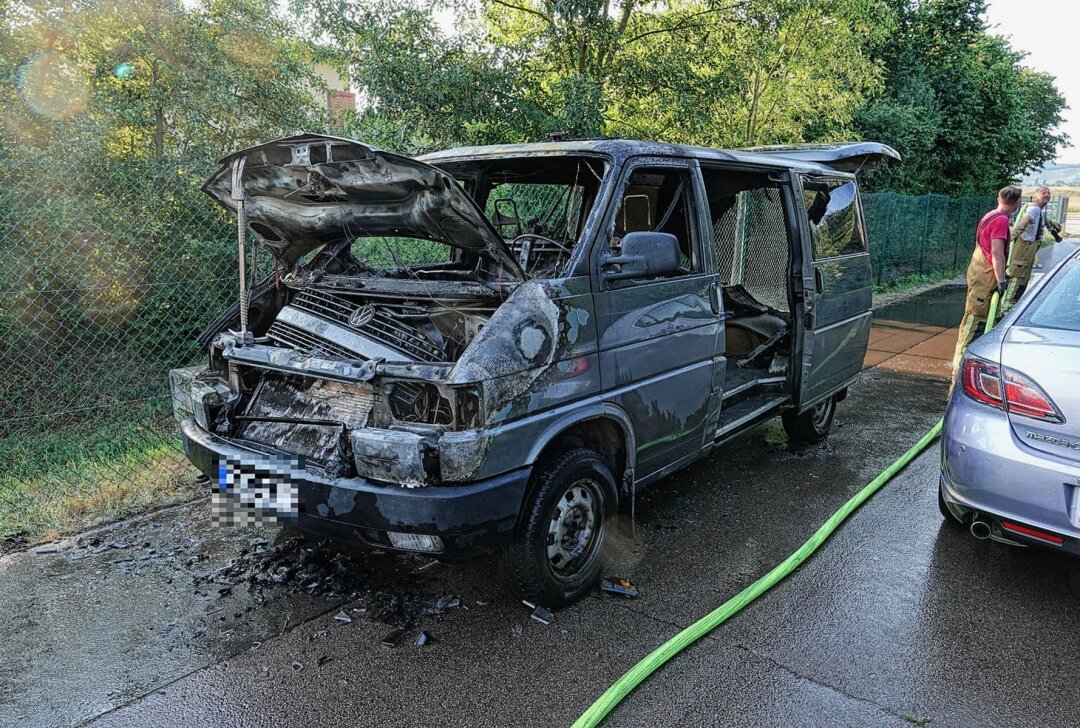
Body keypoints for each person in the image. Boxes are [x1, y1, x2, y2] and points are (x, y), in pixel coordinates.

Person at [950, 185, 1023, 380]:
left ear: (999, 198)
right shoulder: (1000, 221)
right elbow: (997, 253)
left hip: (978, 268)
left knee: (974, 315)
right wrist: (1001, 280)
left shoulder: (990, 215)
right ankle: (960, 364)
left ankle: (963, 359)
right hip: (986, 274)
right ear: (1017, 203)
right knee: (975, 317)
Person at [1003, 185, 1062, 310]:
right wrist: (1010, 238)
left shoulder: (1040, 212)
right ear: (1036, 196)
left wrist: (1056, 234)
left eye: (1048, 193)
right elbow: (1025, 221)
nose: (1047, 195)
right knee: (1017, 280)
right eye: (1043, 193)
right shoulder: (1034, 210)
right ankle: (1006, 310)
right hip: (1024, 250)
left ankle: (1010, 308)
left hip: (1030, 251)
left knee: (1023, 280)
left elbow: (1048, 226)